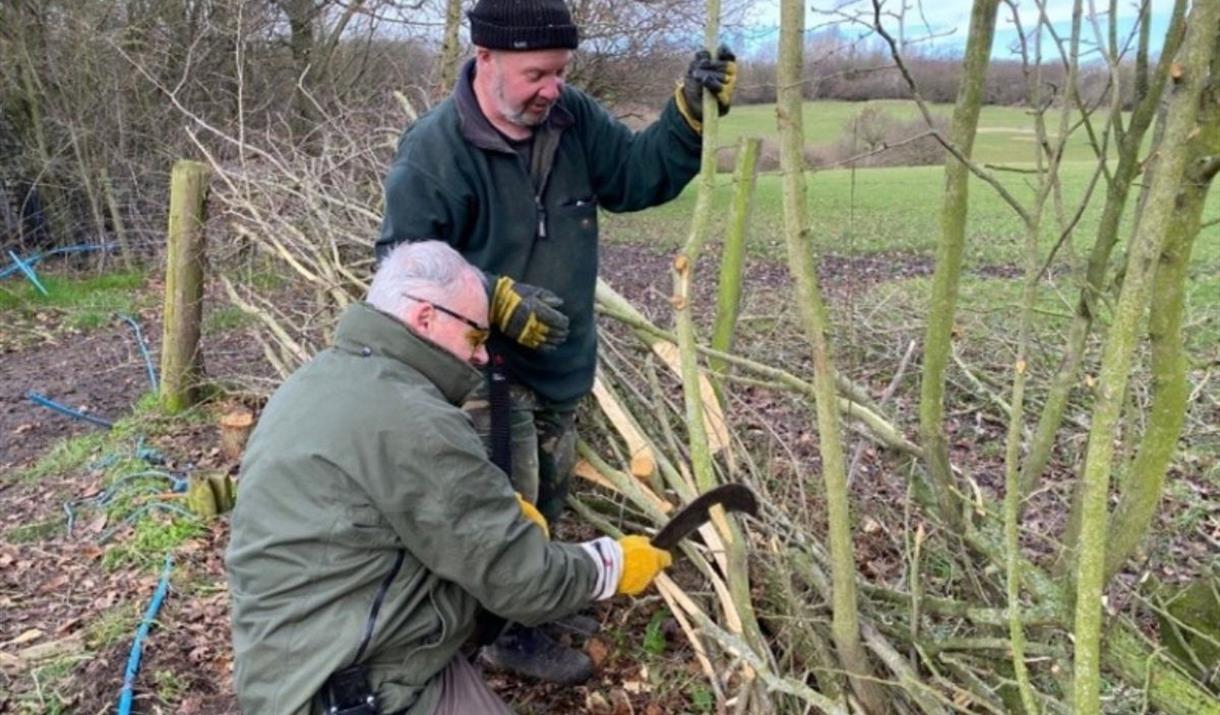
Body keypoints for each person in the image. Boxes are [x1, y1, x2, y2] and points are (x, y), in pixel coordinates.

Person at [377, 0, 735, 682]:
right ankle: (496, 633)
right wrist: (493, 301)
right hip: (483, 373)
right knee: (498, 511)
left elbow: (635, 176)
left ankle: (531, 608)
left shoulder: (572, 119)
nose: (552, 87)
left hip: (562, 364)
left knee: (546, 498)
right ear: (485, 59)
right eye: (536, 73)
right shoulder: (435, 149)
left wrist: (688, 115)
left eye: (561, 71)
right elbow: (402, 265)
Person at [226, 241, 673, 715]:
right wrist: (612, 566)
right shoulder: (413, 419)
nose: (480, 357)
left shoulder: (320, 378)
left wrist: (495, 519)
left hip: (290, 665)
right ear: (424, 318)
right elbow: (523, 581)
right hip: (346, 693)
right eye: (476, 337)